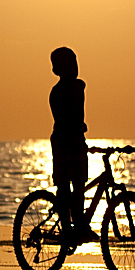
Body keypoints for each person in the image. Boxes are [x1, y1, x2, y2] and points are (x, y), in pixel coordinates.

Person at [49, 47, 96, 243]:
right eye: (69, 65)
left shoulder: (75, 88)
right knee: (66, 185)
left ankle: (78, 225)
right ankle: (70, 227)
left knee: (78, 183)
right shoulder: (64, 91)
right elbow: (66, 119)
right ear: (58, 70)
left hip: (75, 140)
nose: (74, 68)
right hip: (64, 141)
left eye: (75, 63)